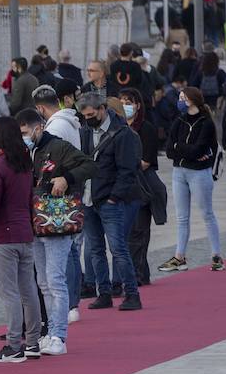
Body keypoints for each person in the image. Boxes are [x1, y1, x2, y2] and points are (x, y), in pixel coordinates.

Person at [17, 109, 96, 356]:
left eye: (26, 132)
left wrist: (66, 177)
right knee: (43, 282)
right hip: (35, 223)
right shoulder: (27, 151)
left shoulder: (58, 147)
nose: (24, 137)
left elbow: (89, 165)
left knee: (55, 279)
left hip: (57, 221)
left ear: (38, 127)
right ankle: (50, 332)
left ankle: (58, 335)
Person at [0, 117, 39, 364]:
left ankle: (14, 344)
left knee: (9, 293)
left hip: (2, 235)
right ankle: (33, 341)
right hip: (24, 232)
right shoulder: (25, 165)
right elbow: (29, 201)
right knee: (28, 290)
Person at [77, 93, 144, 311]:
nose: (88, 118)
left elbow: (128, 169)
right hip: (89, 199)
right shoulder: (86, 130)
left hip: (109, 200)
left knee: (118, 249)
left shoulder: (121, 133)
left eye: (91, 114)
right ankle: (103, 293)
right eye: (84, 115)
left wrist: (114, 197)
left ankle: (132, 294)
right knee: (96, 250)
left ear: (102, 109)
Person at [159, 87, 223, 273]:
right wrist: (184, 149)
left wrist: (181, 148)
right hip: (179, 171)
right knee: (181, 217)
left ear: (193, 100)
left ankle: (216, 255)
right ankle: (179, 256)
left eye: (182, 98)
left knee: (207, 214)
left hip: (199, 173)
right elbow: (169, 150)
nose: (179, 101)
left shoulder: (206, 123)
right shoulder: (178, 121)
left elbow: (199, 150)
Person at [121, 87, 161, 287]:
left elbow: (146, 161)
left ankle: (138, 274)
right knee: (129, 233)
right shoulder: (118, 127)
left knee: (139, 232)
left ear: (137, 105)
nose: (125, 106)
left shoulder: (146, 129)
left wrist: (124, 165)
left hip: (142, 186)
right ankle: (141, 273)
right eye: (122, 102)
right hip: (124, 187)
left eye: (129, 102)